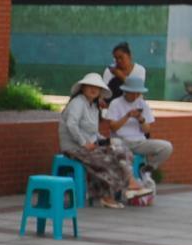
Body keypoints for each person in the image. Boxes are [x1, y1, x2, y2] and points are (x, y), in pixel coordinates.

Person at [58, 72, 147, 208]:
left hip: (89, 147)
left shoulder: (93, 106)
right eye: (89, 86)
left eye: (97, 88)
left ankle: (125, 185)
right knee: (106, 160)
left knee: (121, 152)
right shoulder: (78, 102)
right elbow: (71, 124)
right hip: (74, 148)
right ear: (82, 88)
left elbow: (93, 132)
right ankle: (118, 191)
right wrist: (84, 143)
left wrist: (105, 140)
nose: (93, 90)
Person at [104, 74, 173, 173]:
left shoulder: (142, 104)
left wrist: (140, 119)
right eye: (133, 93)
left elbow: (147, 130)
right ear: (126, 91)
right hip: (121, 141)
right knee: (116, 144)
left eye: (138, 93)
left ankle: (148, 166)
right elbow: (113, 127)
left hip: (139, 142)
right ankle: (128, 174)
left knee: (167, 147)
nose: (135, 96)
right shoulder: (116, 103)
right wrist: (127, 116)